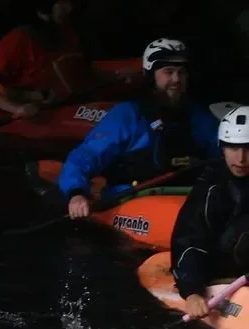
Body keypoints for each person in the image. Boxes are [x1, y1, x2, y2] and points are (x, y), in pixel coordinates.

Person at [59, 39, 218, 217]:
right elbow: (85, 156)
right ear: (151, 75)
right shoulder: (128, 115)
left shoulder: (198, 116)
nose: (176, 79)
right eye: (169, 72)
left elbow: (222, 151)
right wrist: (76, 193)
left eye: (181, 73)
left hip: (184, 197)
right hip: (131, 201)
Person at [170, 105, 249, 315]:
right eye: (233, 148)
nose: (241, 158)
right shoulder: (210, 188)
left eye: (248, 148)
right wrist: (193, 291)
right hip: (223, 271)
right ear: (222, 148)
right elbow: (188, 242)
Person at [0, 0, 93, 119]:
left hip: (68, 107)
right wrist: (17, 109)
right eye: (64, 3)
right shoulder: (17, 39)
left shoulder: (68, 34)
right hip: (32, 116)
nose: (69, 7)